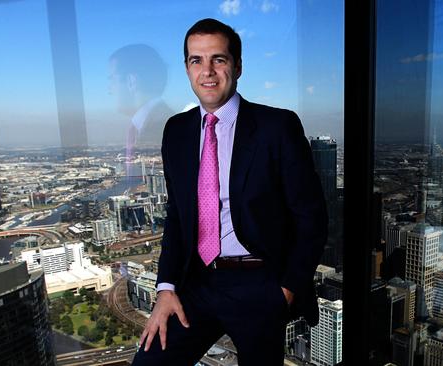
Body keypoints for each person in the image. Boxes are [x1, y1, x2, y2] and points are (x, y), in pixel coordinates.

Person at [131, 18, 327, 366]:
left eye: (218, 59)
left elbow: (311, 217)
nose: (207, 71)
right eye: (196, 60)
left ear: (237, 66)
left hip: (260, 285)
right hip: (196, 283)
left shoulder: (276, 126)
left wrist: (284, 292)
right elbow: (177, 216)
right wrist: (165, 288)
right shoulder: (176, 131)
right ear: (187, 68)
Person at [108, 44, 174, 179]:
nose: (110, 89)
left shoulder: (165, 126)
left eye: (112, 79)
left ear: (131, 81)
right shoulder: (143, 124)